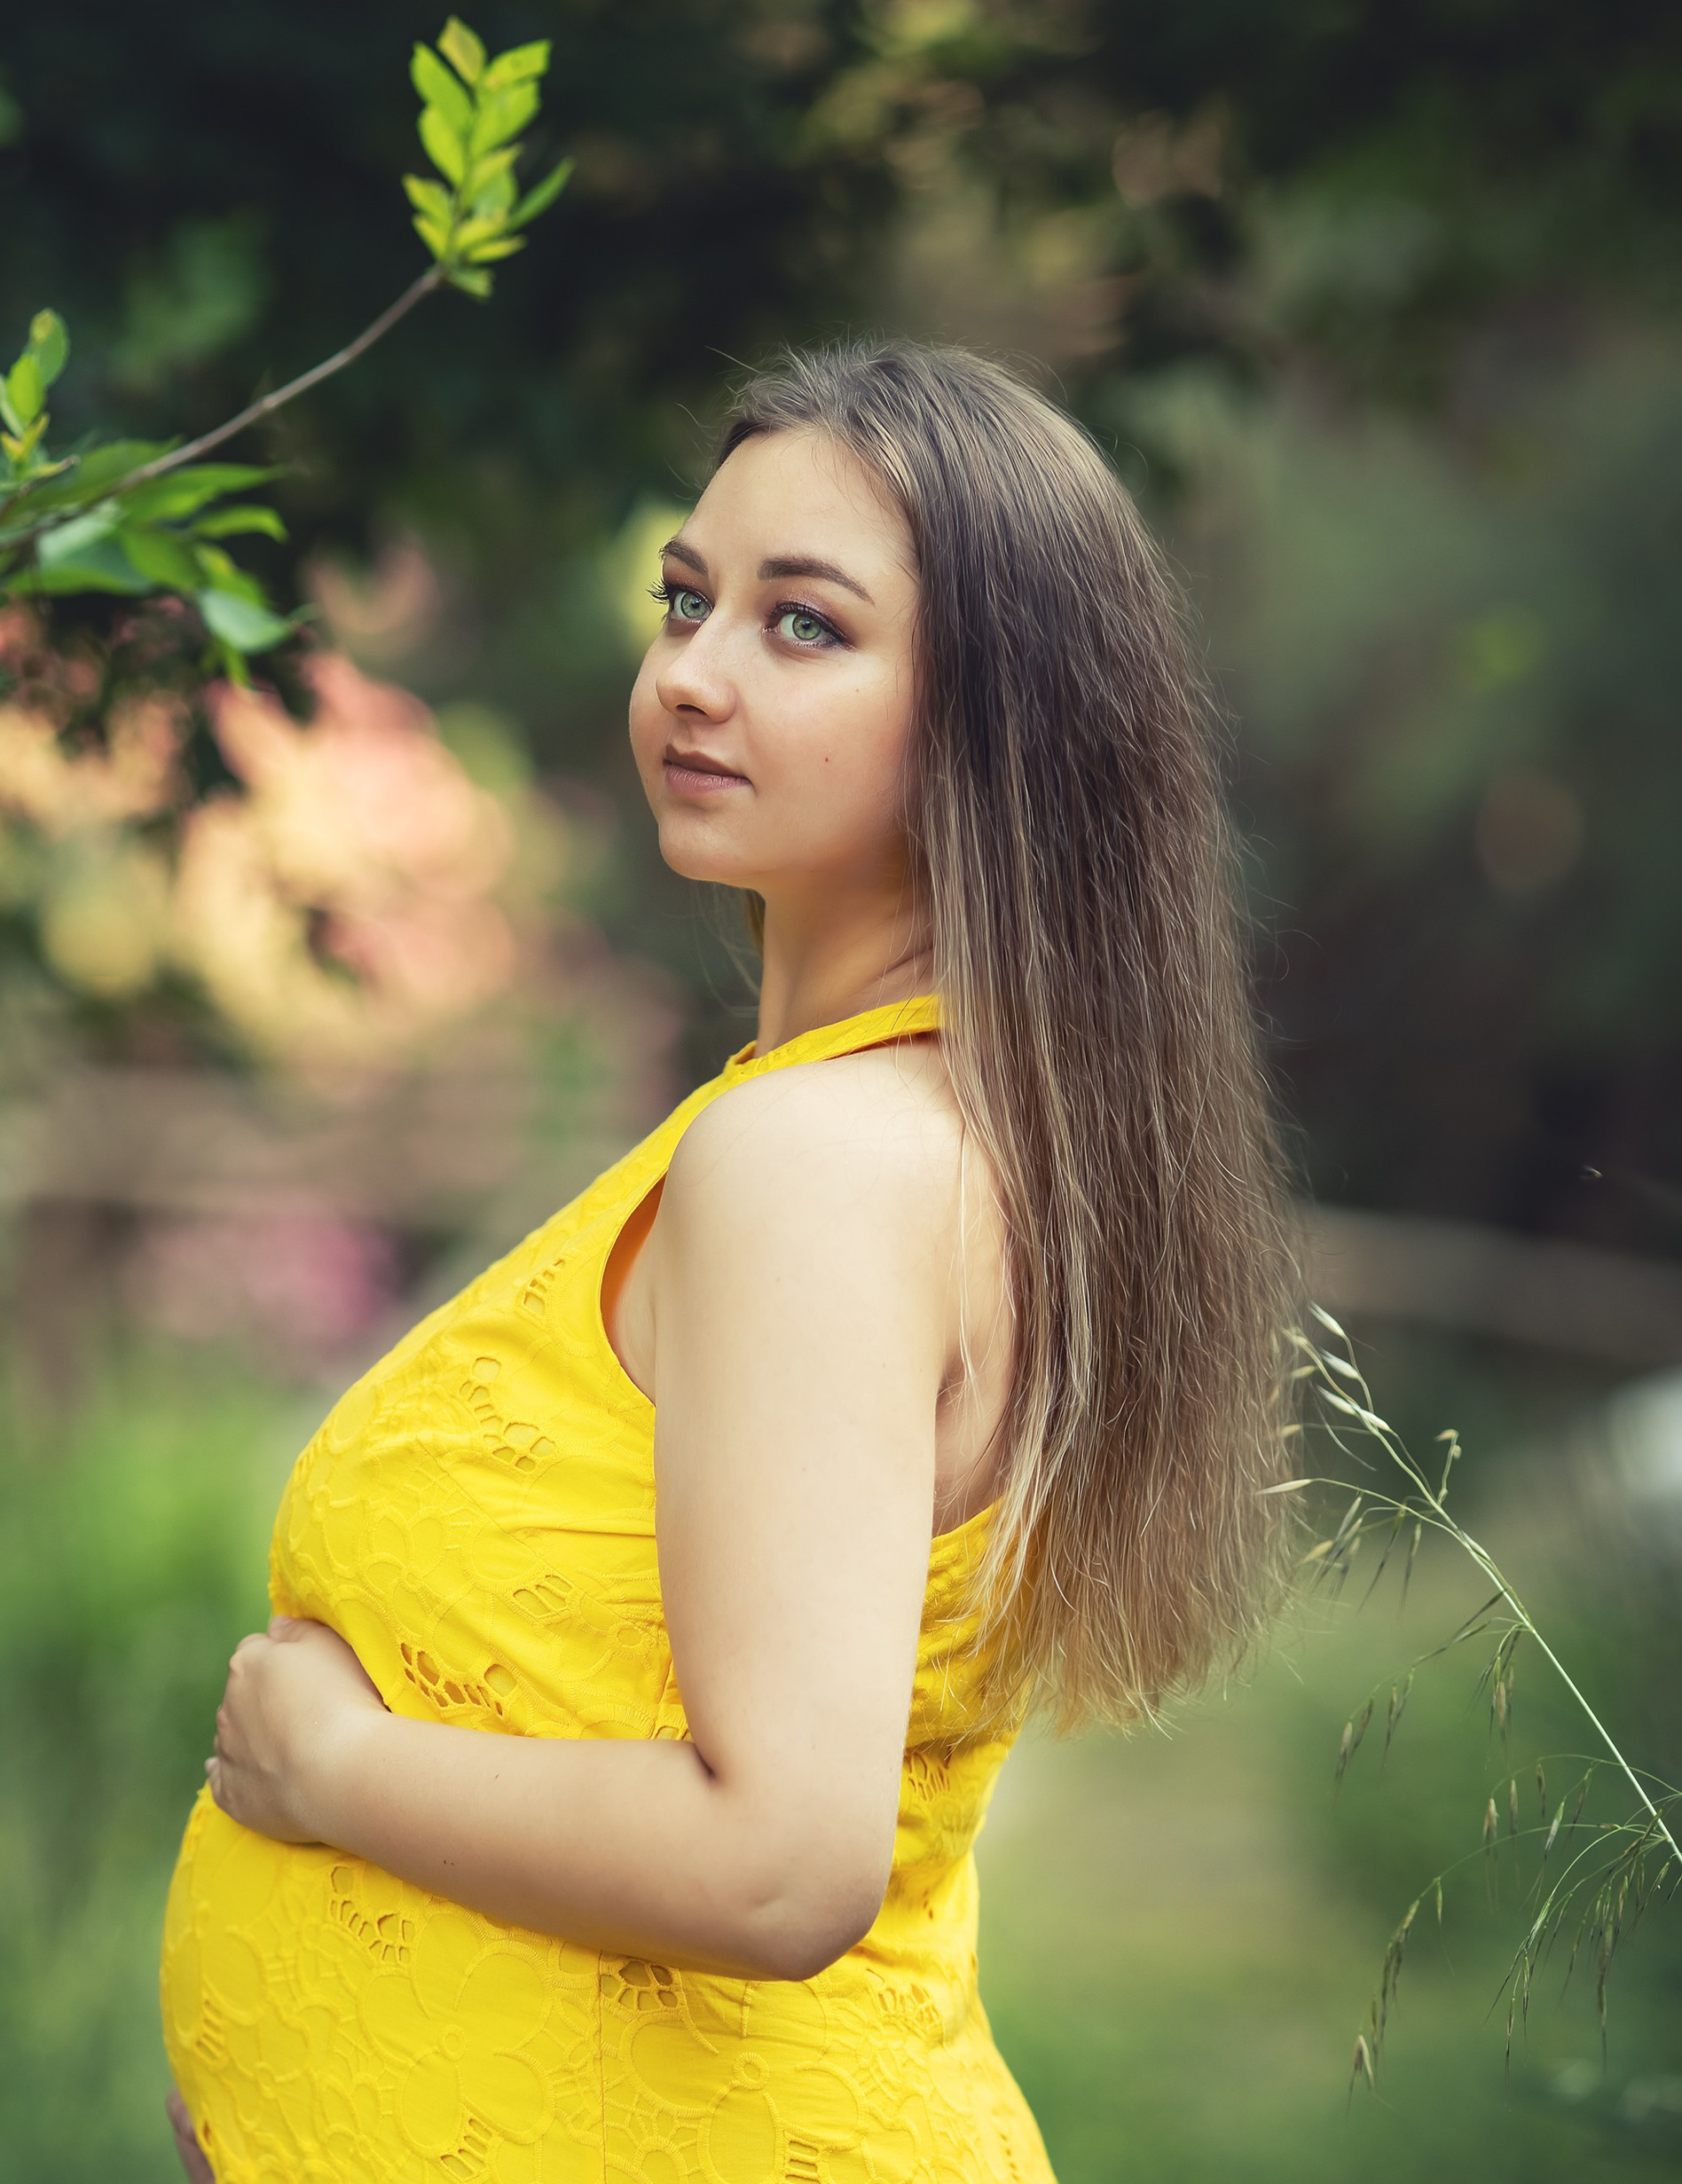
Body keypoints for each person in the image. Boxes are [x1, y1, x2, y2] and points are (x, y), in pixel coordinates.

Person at [158, 340, 1292, 2183]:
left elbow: (780, 1853)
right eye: (684, 597)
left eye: (800, 625)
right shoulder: (922, 1131)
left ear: (994, 721)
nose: (687, 670)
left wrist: (332, 1773)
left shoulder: (817, 1166)